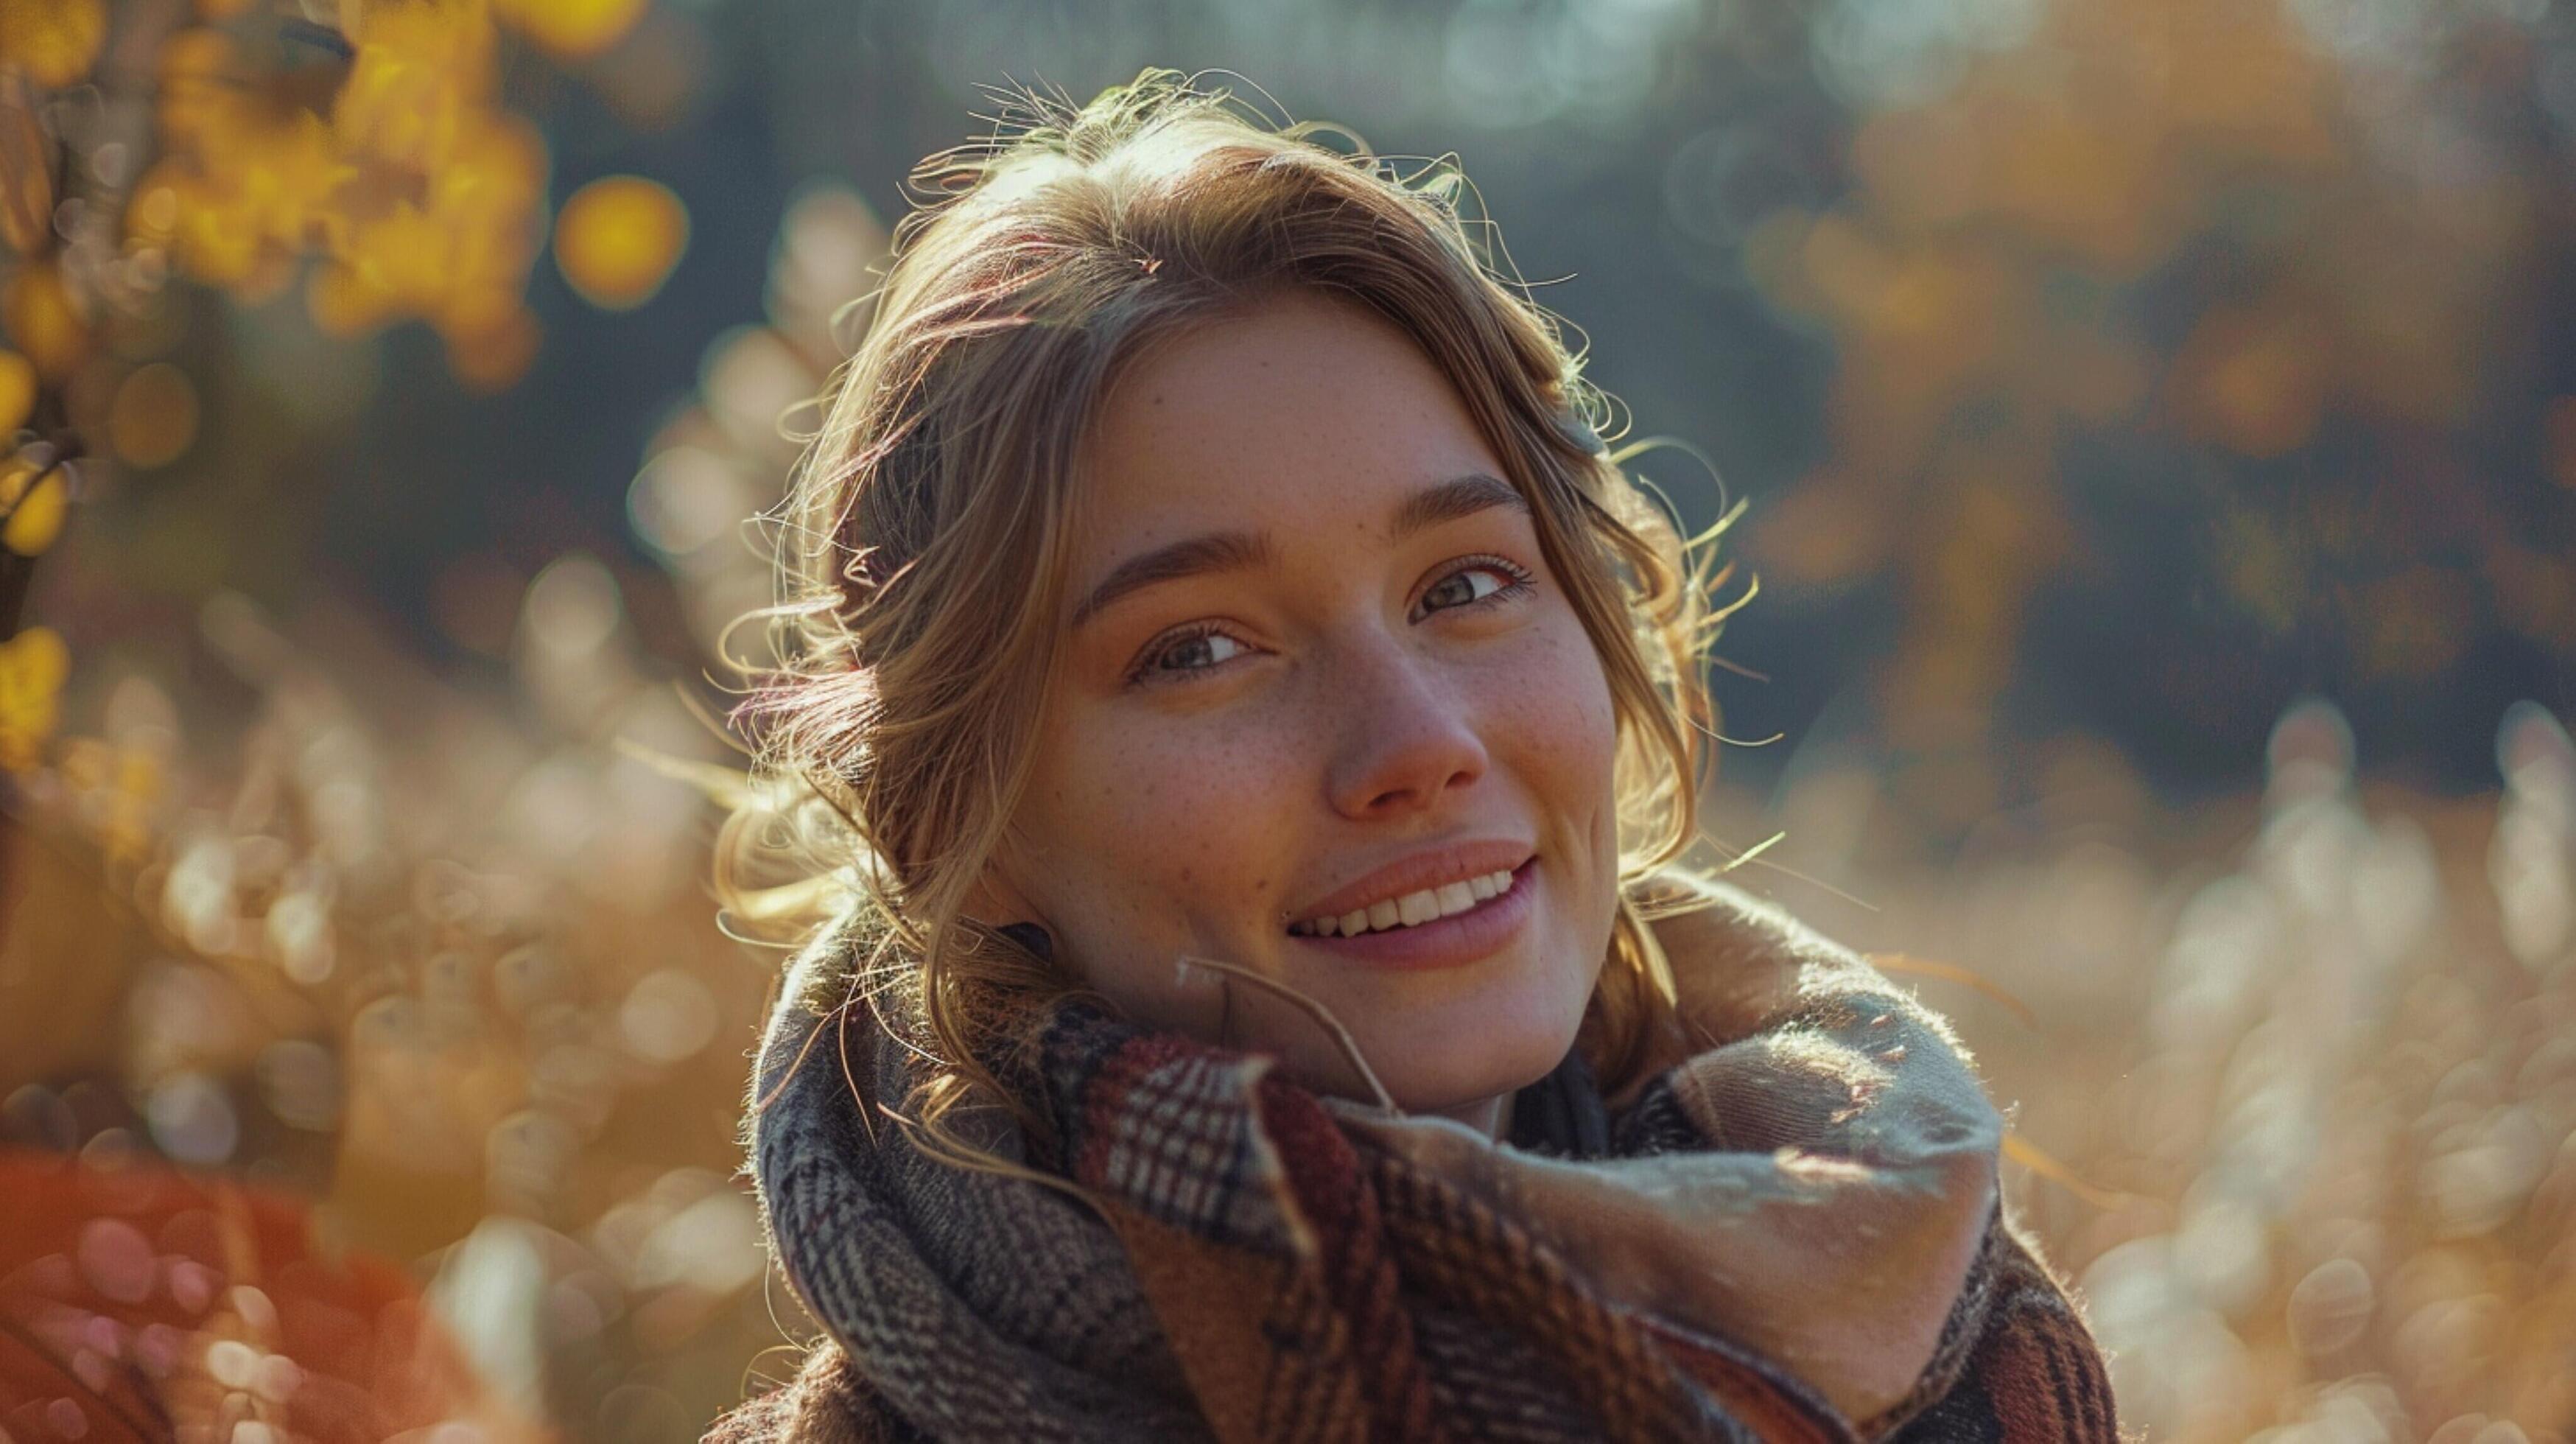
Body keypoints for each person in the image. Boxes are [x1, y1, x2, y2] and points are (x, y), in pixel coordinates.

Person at [706, 71, 2116, 1443]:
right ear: (967, 819)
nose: (1420, 746)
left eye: (1464, 586)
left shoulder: (1956, 1360)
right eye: (1198, 649)